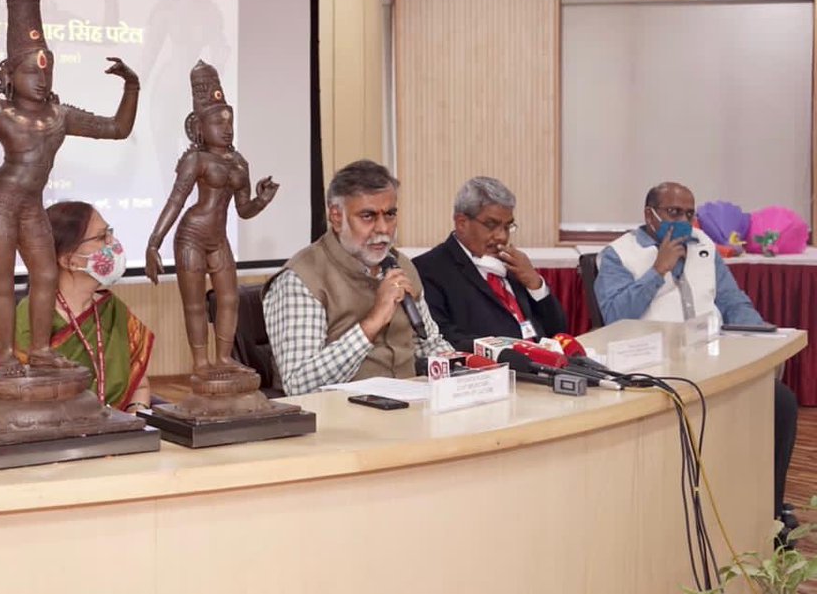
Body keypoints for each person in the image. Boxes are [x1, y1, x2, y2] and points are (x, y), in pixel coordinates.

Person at [0, 0, 139, 377]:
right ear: (9, 74)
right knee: (1, 283)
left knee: (47, 275)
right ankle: (5, 357)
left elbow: (117, 129)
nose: (41, 78)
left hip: (31, 207)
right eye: (30, 71)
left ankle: (39, 350)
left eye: (46, 69)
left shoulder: (59, 116)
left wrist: (131, 86)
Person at [594, 181, 798, 534]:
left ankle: (769, 509)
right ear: (650, 215)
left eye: (690, 214)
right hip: (657, 369)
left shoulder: (704, 247)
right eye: (674, 213)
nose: (685, 221)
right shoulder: (617, 254)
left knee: (780, 402)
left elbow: (733, 302)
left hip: (713, 359)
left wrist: (765, 336)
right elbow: (614, 315)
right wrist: (658, 269)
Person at [262, 160, 453, 396]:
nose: (383, 228)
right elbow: (300, 384)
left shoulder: (401, 266)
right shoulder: (301, 279)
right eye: (368, 216)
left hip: (410, 411)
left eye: (390, 214)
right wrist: (373, 321)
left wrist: (473, 373)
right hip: (340, 421)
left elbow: (429, 343)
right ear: (336, 216)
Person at [145, 60, 278, 383]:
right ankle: (201, 362)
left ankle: (222, 357)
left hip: (218, 239)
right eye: (217, 122)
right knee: (193, 305)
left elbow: (243, 210)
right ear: (199, 128)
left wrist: (261, 199)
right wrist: (153, 243)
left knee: (228, 298)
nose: (226, 128)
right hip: (191, 235)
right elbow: (175, 201)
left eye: (229, 121)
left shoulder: (239, 162)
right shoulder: (196, 160)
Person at [0, 201, 154, 412]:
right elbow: (20, 395)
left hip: (114, 435)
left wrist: (137, 414)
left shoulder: (114, 311)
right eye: (102, 237)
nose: (113, 244)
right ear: (69, 261)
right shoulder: (30, 317)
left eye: (110, 233)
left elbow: (140, 385)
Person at [414, 176, 567, 351]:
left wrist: (535, 284)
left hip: (542, 364)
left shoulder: (513, 264)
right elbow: (443, 340)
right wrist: (509, 352)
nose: (502, 236)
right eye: (491, 225)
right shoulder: (430, 270)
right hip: (492, 371)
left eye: (507, 227)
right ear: (461, 223)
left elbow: (558, 330)